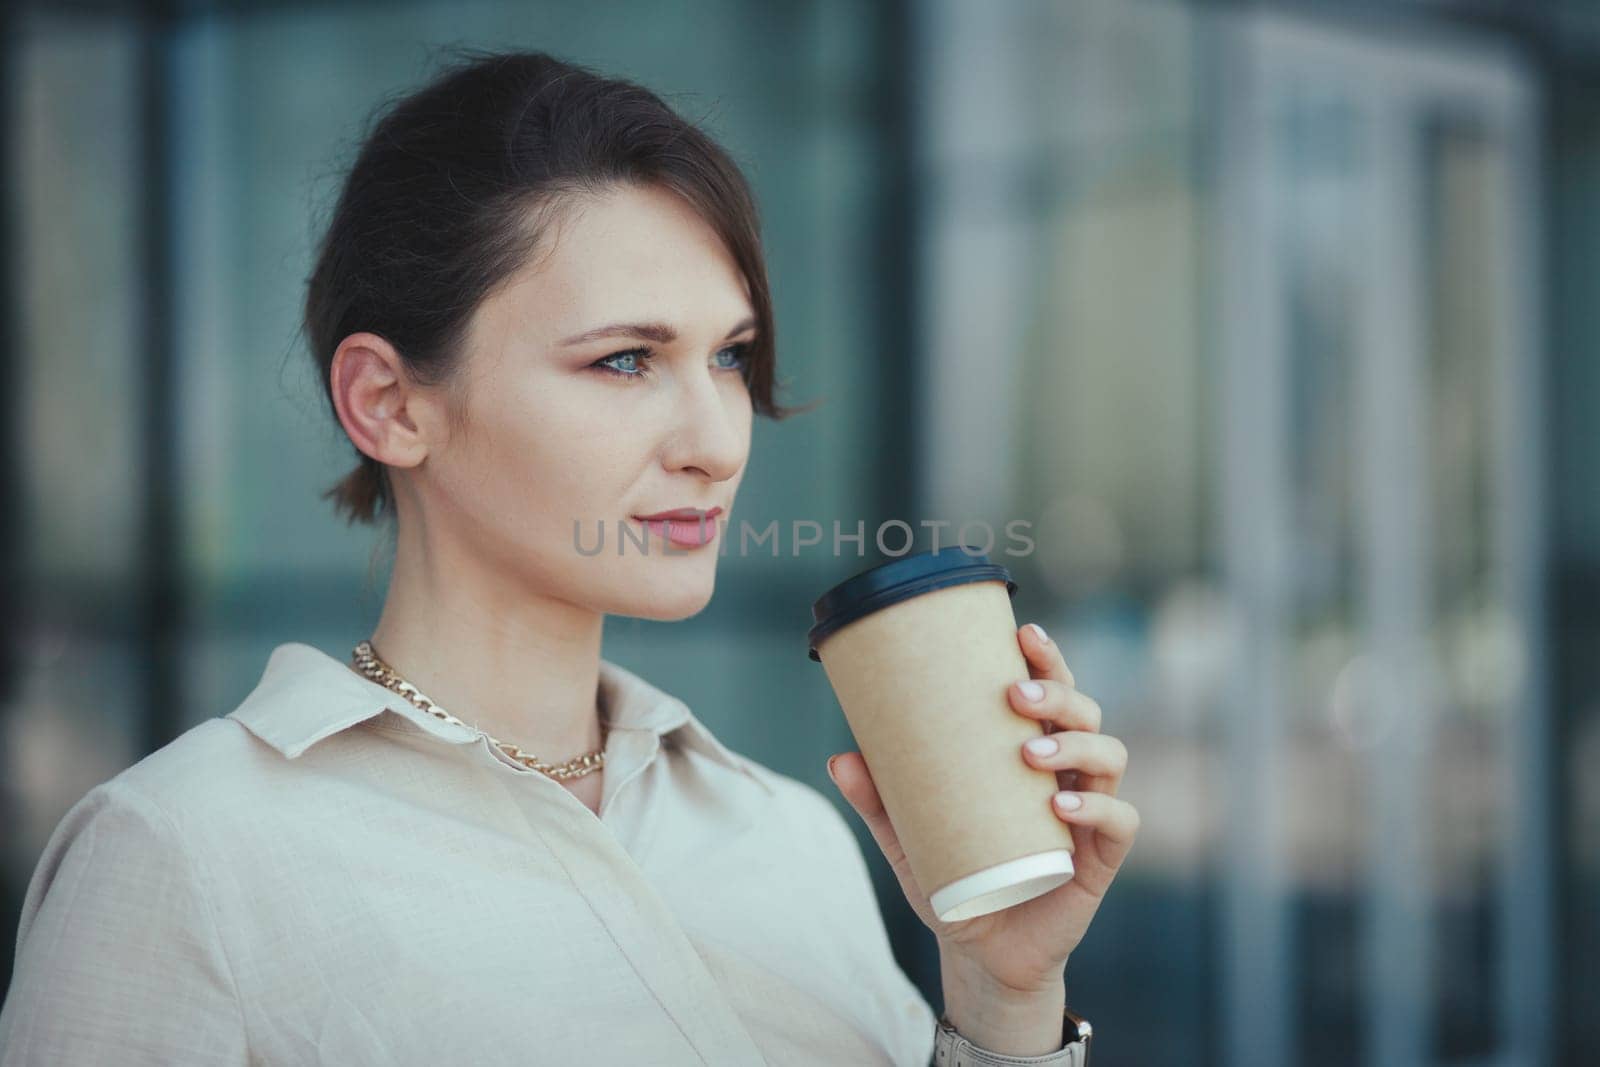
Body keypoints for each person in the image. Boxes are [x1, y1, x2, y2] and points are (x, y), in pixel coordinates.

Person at [0, 48, 1138, 1066]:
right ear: (389, 403)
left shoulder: (787, 833)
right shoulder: (184, 856)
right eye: (625, 361)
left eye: (729, 357)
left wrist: (1000, 994)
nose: (714, 444)